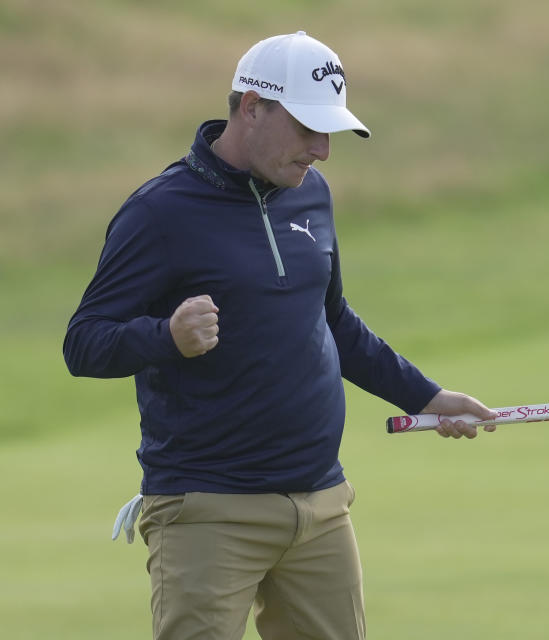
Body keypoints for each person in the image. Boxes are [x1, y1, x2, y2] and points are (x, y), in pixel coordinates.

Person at [63, 31, 496, 640]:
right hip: (209, 513)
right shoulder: (161, 211)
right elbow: (83, 342)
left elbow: (334, 321)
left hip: (320, 506)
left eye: (330, 132)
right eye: (306, 129)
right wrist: (165, 335)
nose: (321, 150)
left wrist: (424, 396)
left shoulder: (310, 194)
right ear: (251, 107)